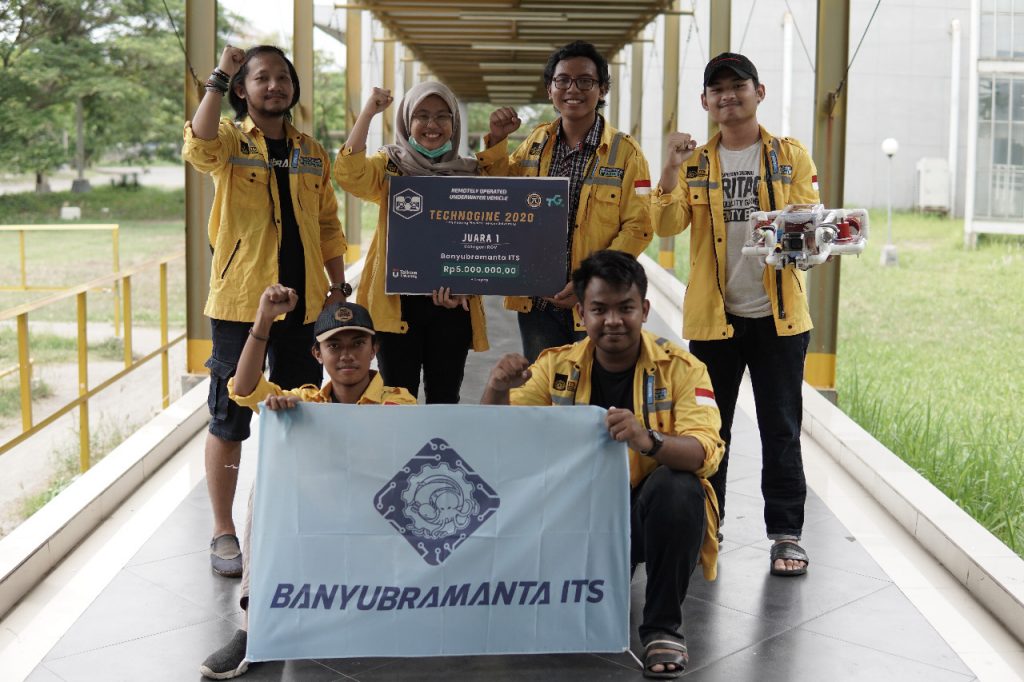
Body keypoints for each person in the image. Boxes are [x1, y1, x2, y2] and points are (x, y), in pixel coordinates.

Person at [482, 250, 723, 679]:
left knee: (680, 489)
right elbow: (497, 445)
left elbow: (706, 451)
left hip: (641, 519)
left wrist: (646, 439)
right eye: (599, 309)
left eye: (625, 308)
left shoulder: (683, 369)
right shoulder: (554, 366)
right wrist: (498, 389)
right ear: (581, 312)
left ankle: (662, 628)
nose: (613, 320)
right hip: (569, 518)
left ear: (644, 310)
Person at [651, 52, 819, 577]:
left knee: (781, 426)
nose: (728, 96)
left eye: (737, 86)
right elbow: (667, 223)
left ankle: (786, 534)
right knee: (711, 427)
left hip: (779, 317)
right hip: (715, 319)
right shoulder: (697, 162)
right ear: (705, 102)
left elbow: (811, 225)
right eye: (717, 90)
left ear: (759, 92)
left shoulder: (789, 157)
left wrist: (803, 231)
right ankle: (708, 524)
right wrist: (671, 167)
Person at [183, 45, 348, 577]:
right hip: (240, 303)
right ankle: (223, 530)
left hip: (304, 307)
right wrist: (219, 73)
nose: (273, 86)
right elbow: (198, 142)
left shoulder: (311, 151)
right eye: (260, 78)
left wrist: (338, 285)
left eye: (282, 78)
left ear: (294, 88)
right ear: (243, 90)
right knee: (230, 416)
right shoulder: (231, 142)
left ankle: (289, 517)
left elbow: (326, 224)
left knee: (299, 410)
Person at [199, 285, 416, 679]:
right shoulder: (306, 400)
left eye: (357, 343)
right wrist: (264, 319)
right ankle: (253, 626)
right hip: (322, 515)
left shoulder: (400, 402)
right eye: (335, 346)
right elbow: (245, 389)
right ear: (318, 354)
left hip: (380, 518)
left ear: (374, 349)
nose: (347, 353)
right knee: (263, 487)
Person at [480, 40, 654, 363]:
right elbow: (500, 196)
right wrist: (498, 142)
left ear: (601, 90)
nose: (573, 89)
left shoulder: (627, 153)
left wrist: (590, 279)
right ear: (550, 89)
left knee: (597, 395)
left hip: (597, 303)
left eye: (585, 81)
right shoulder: (535, 144)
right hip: (538, 303)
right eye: (563, 80)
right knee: (546, 395)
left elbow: (640, 226)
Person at [333, 81, 488, 403]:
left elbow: (486, 241)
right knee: (396, 398)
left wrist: (466, 283)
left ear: (454, 124)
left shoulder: (472, 174)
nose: (432, 125)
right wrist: (369, 113)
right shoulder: (390, 167)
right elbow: (350, 174)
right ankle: (398, 456)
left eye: (442, 116)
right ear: (406, 122)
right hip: (396, 307)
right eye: (422, 115)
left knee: (444, 399)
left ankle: (438, 454)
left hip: (451, 308)